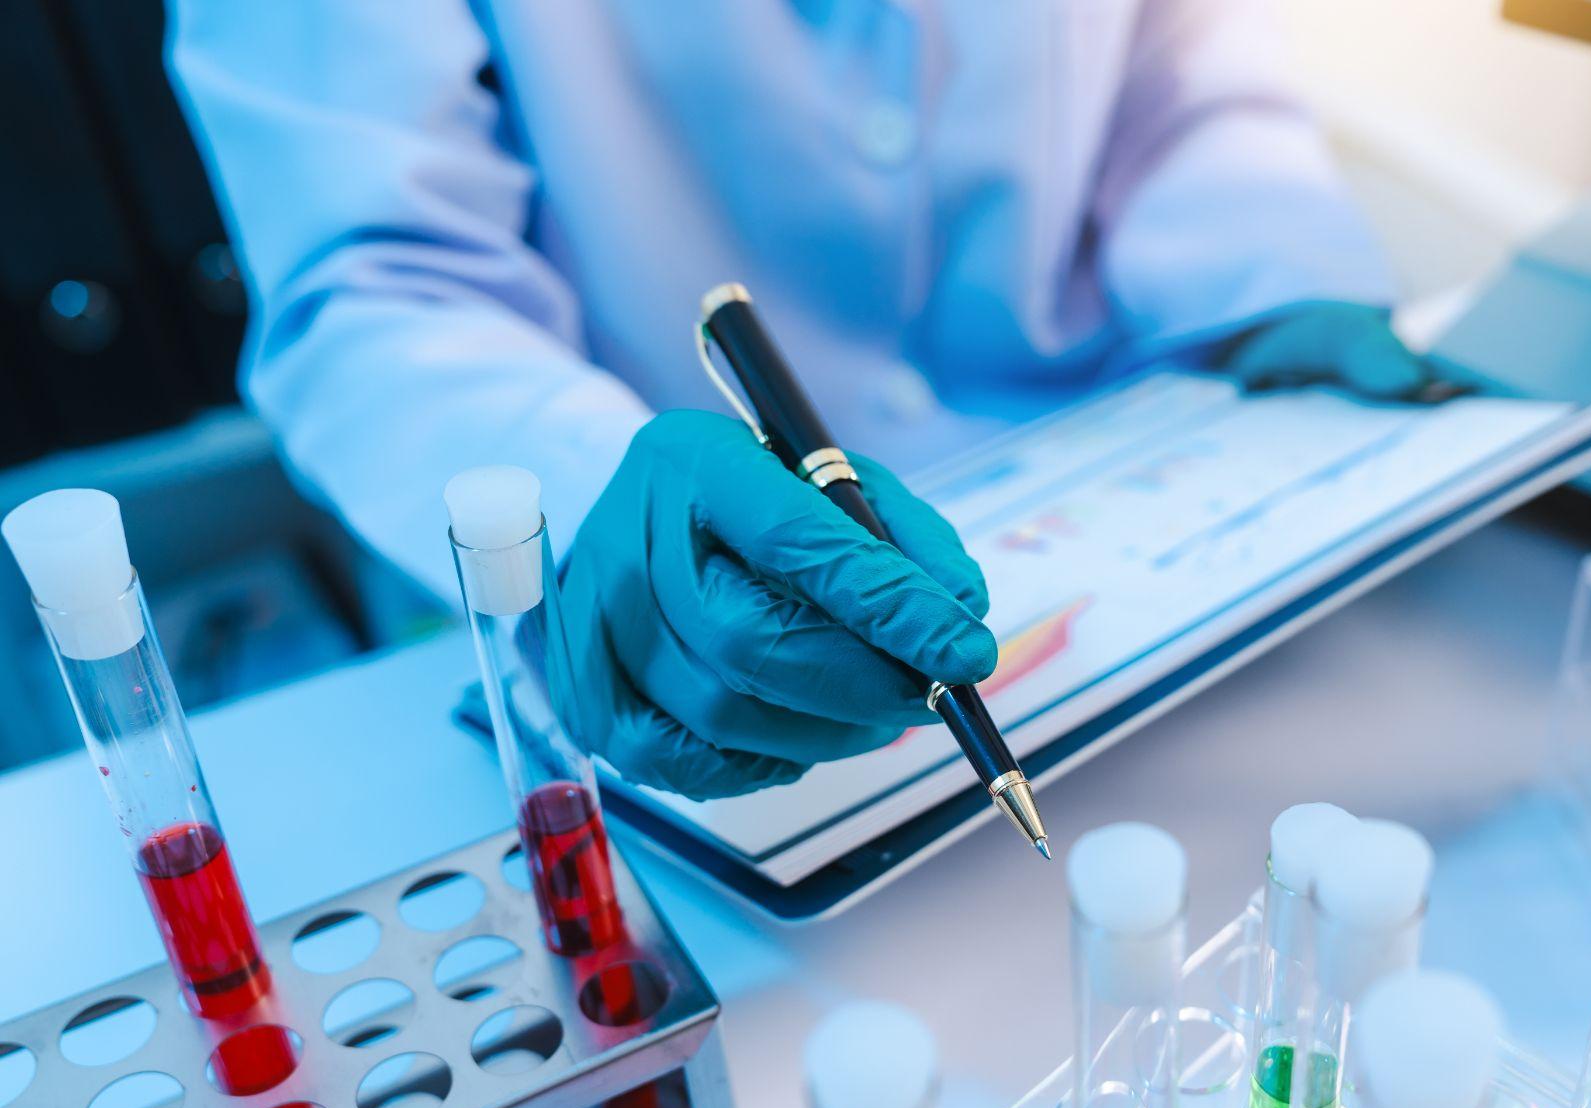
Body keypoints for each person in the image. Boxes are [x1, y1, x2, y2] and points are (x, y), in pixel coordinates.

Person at [167, 1, 1429, 799]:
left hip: (1130, 524)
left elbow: (1183, 67)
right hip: (672, 548)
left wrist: (1273, 274)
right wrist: (588, 495)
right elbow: (375, 282)